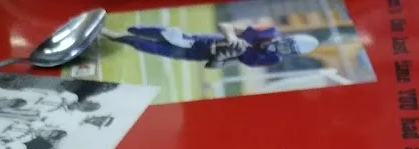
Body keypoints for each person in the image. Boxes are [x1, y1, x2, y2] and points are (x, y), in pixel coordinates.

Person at [101, 23, 319, 68]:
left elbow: (214, 65)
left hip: (196, 53)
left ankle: (114, 36)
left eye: (286, 51)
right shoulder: (266, 32)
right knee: (158, 32)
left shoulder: (269, 59)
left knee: (147, 46)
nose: (279, 49)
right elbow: (225, 25)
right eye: (284, 45)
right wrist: (232, 36)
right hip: (197, 39)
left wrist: (221, 58)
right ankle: (131, 30)